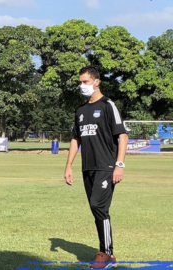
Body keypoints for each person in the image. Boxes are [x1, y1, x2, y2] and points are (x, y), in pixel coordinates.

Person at [64, 66, 128, 269]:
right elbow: (75, 139)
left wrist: (119, 165)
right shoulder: (80, 110)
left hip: (106, 166)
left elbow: (123, 135)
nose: (81, 85)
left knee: (98, 206)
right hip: (87, 168)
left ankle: (106, 254)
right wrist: (68, 166)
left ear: (96, 81)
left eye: (85, 82)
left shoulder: (108, 105)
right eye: (80, 82)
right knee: (97, 210)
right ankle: (108, 253)